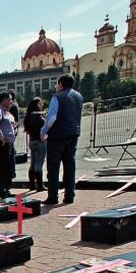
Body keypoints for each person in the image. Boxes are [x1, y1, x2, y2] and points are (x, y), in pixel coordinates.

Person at [41, 74, 84, 205]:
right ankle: (69, 195)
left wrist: (43, 131)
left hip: (57, 136)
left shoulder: (57, 97)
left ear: (60, 84)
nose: (56, 86)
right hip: (73, 134)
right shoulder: (79, 96)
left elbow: (52, 118)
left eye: (56, 84)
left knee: (53, 168)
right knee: (70, 166)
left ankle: (53, 197)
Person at [24, 97, 46, 192]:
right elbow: (45, 130)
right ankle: (40, 185)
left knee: (32, 163)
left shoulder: (29, 117)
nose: (42, 105)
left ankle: (32, 184)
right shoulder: (40, 118)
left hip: (32, 141)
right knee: (39, 164)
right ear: (37, 105)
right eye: (40, 104)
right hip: (40, 141)